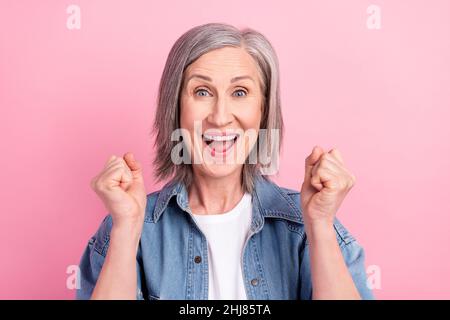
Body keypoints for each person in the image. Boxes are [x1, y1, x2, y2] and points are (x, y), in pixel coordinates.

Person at [76, 23, 373, 300]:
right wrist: (127, 228)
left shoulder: (307, 226)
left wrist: (320, 225)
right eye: (202, 92)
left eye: (240, 92)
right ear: (176, 107)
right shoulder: (130, 227)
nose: (220, 117)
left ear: (262, 110)